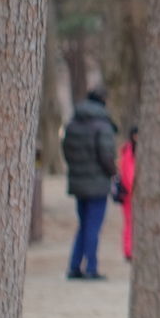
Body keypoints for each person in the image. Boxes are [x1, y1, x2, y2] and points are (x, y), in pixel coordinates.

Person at [61, 88, 117, 280]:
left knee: (83, 224)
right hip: (98, 183)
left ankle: (74, 266)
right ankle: (91, 267)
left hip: (78, 182)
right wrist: (114, 173)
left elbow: (66, 152)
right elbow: (106, 156)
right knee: (93, 226)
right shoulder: (103, 126)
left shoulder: (72, 124)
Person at [117, 127, 137, 261]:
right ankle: (129, 251)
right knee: (130, 223)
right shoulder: (129, 151)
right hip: (130, 195)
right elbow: (128, 174)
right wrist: (132, 190)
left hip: (134, 193)